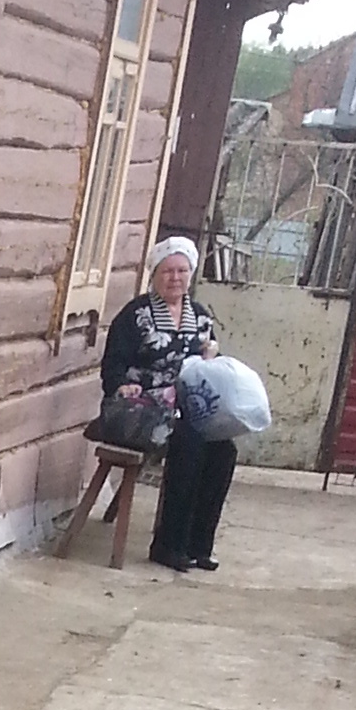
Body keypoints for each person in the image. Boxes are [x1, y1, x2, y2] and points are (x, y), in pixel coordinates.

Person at [99, 235, 235, 576]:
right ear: (155, 274)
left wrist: (211, 356)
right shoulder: (136, 315)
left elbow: (208, 367)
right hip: (141, 409)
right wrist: (122, 384)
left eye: (182, 271)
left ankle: (198, 545)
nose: (175, 278)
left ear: (191, 274)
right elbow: (112, 367)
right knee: (189, 444)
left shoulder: (200, 317)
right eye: (167, 271)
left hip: (185, 408)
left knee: (223, 449)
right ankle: (168, 545)